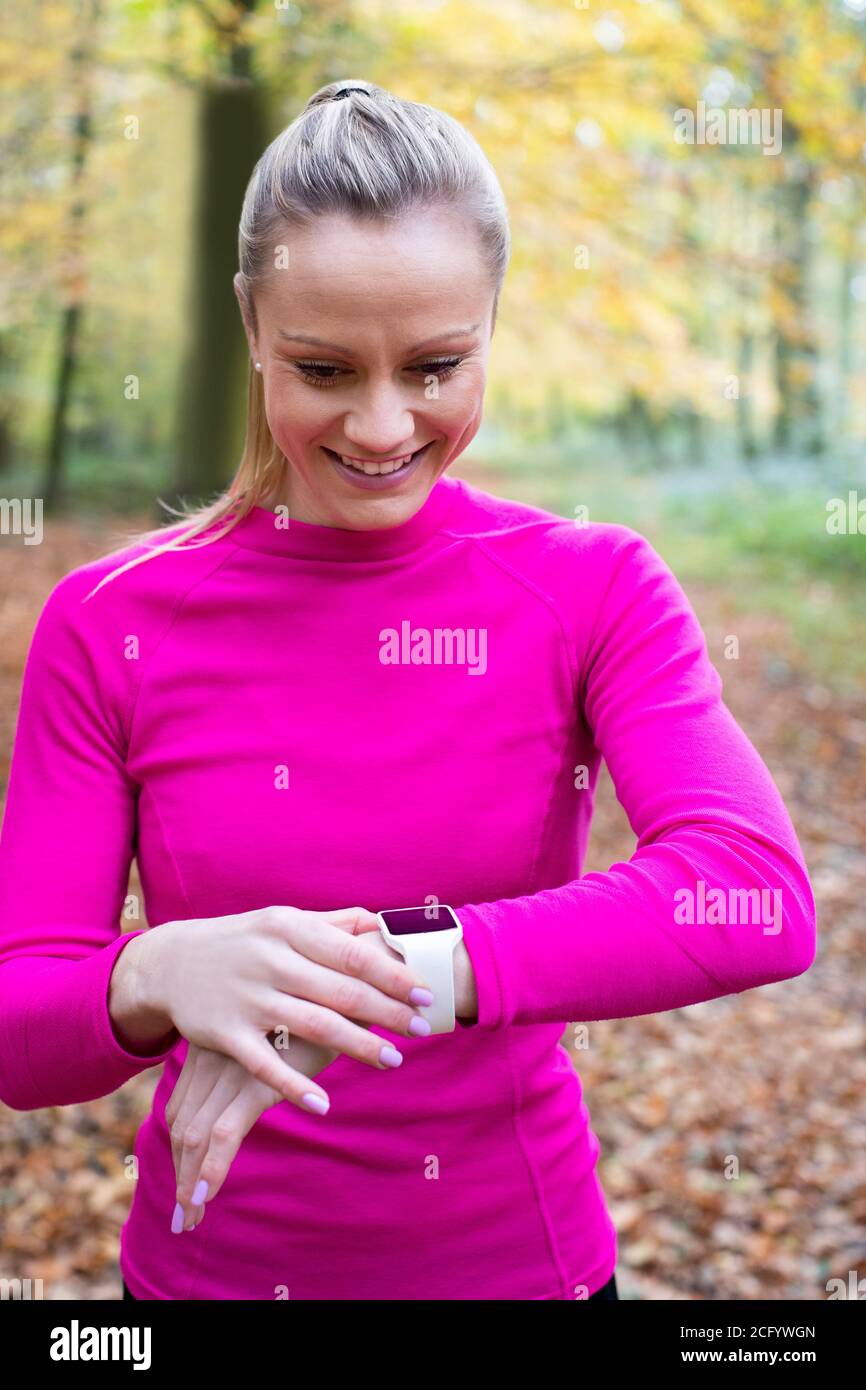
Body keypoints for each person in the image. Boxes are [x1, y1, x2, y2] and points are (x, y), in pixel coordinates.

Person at [0, 80, 816, 1302]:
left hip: (517, 1271)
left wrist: (367, 976)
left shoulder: (590, 587)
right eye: (323, 366)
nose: (381, 426)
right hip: (207, 1280)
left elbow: (748, 894)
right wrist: (159, 973)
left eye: (435, 365)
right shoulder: (111, 621)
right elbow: (25, 1025)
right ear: (250, 323)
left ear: (491, 319)